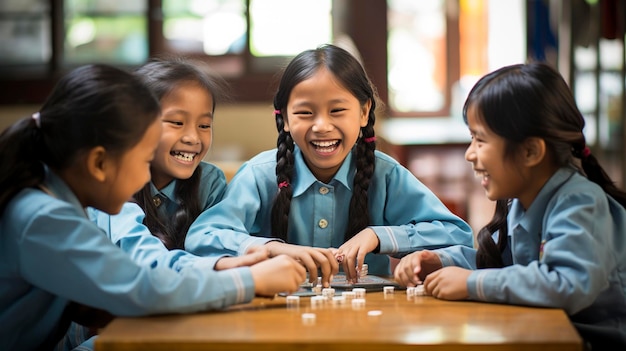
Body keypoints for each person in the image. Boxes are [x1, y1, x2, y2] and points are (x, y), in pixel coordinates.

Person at [0, 64, 306, 351]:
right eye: (145, 160)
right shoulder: (45, 217)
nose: (146, 175)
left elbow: (139, 278)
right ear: (99, 163)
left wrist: (225, 266)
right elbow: (141, 282)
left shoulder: (52, 202)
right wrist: (250, 281)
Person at [185, 44, 473, 286]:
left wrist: (378, 236)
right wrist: (272, 249)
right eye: (305, 113)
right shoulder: (260, 176)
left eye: (337, 111)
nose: (322, 126)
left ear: (363, 112)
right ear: (284, 118)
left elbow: (457, 235)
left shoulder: (385, 174)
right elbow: (202, 236)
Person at [393, 62, 626, 350]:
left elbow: (567, 284)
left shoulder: (578, 201)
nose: (469, 154)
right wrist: (440, 261)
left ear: (530, 151)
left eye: (480, 140)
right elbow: (500, 263)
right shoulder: (522, 200)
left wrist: (471, 284)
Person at [59, 57, 274, 351]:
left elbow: (216, 243)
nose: (192, 137)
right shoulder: (114, 183)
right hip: (99, 332)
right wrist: (239, 273)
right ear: (137, 125)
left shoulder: (209, 182)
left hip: (170, 319)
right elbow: (146, 262)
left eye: (204, 125)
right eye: (176, 122)